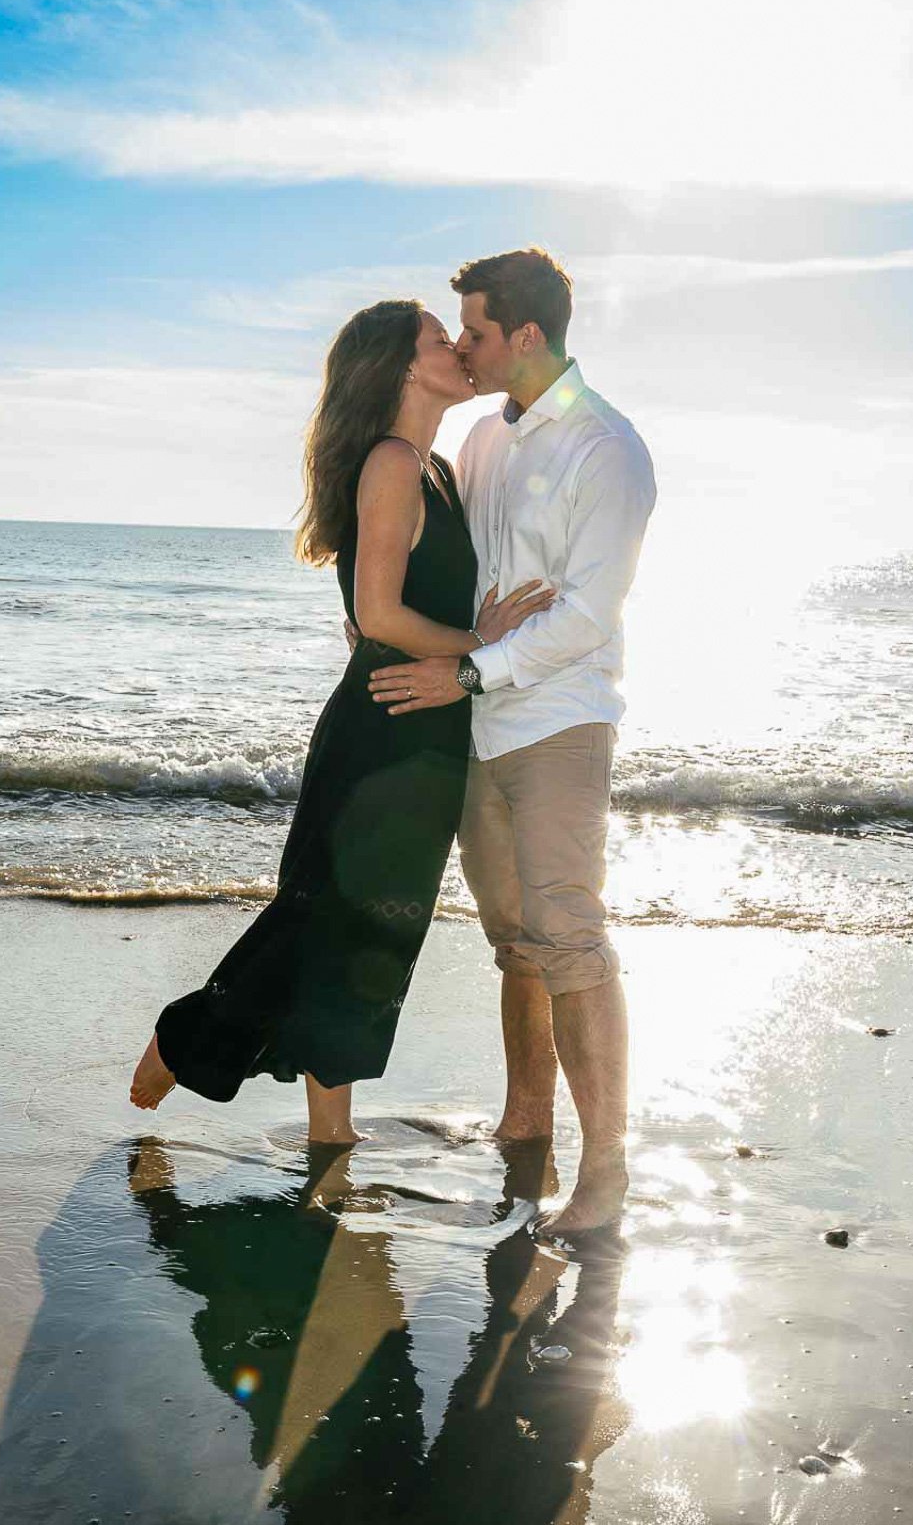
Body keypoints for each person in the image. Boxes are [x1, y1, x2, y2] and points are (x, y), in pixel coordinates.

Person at [130, 300, 553, 1141]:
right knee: (325, 913)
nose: (460, 350)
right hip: (385, 727)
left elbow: (380, 611)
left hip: (421, 723)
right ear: (401, 367)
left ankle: (332, 1127)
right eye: (442, 340)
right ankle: (184, 1043)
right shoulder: (393, 462)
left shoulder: (428, 465)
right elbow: (381, 612)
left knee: (372, 930)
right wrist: (483, 642)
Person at [368, 250, 656, 1234]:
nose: (462, 345)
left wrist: (472, 667)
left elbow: (584, 615)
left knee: (569, 937)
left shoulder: (606, 448)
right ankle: (524, 1118)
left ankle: (604, 1175)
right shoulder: (485, 441)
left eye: (476, 331)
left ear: (524, 336)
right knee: (513, 945)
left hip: (559, 723)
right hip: (479, 729)